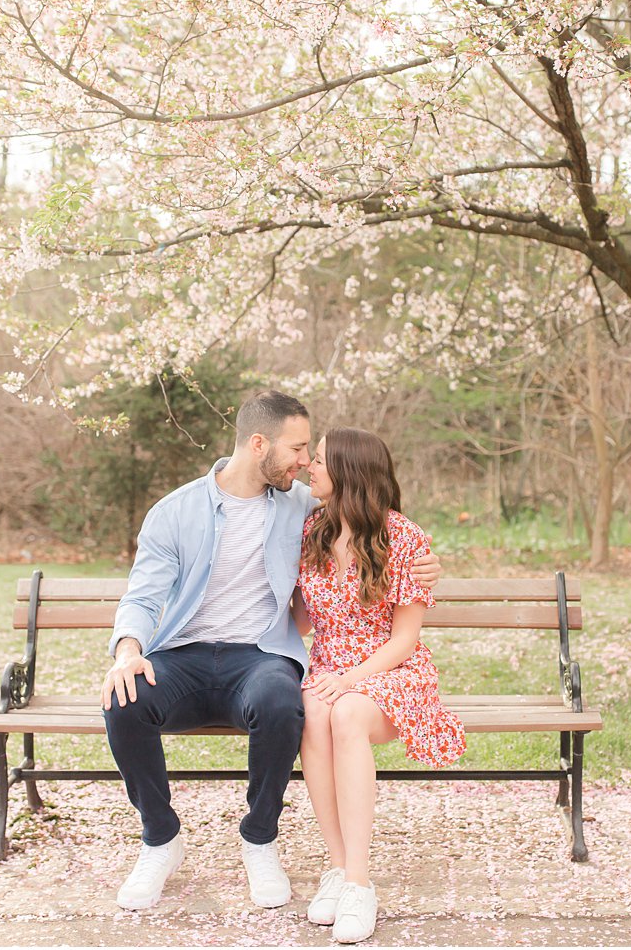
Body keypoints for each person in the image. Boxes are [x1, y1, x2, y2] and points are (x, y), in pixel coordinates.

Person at [99, 390, 441, 912]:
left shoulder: (304, 506)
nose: (306, 463)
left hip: (260, 656)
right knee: (124, 700)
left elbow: (373, 521)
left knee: (286, 703)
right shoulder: (175, 512)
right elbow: (143, 596)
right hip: (184, 655)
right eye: (298, 449)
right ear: (259, 445)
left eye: (313, 453)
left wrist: (424, 568)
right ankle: (161, 839)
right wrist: (128, 650)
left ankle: (260, 839)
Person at [293, 427, 465, 944]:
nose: (309, 467)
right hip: (329, 667)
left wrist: (348, 679)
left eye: (319, 460)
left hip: (392, 672)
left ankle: (360, 883)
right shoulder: (312, 531)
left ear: (347, 472)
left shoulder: (403, 538)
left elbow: (405, 641)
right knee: (312, 711)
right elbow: (302, 621)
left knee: (344, 712)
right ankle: (341, 870)